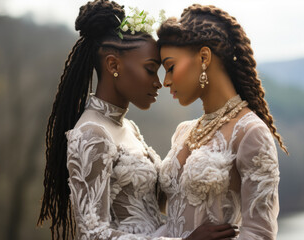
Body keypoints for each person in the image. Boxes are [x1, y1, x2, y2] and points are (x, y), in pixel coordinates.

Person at [37, 1, 238, 240]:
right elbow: (92, 234)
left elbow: (157, 202)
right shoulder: (91, 133)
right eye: (150, 69)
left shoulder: (128, 127)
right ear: (113, 65)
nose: (159, 82)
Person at [157, 4, 288, 240]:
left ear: (204, 57)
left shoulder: (250, 132)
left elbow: (260, 233)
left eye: (170, 67)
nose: (165, 81)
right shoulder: (183, 131)